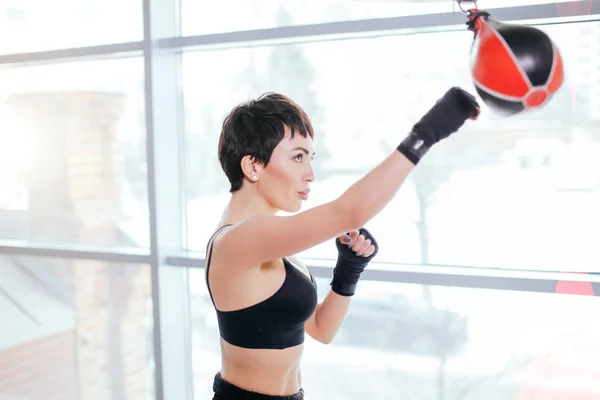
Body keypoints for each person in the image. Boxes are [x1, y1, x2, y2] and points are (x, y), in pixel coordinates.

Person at [205, 88, 480, 399]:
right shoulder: (238, 240)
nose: (310, 174)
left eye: (310, 158)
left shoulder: (271, 244)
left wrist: (348, 270)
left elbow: (322, 329)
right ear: (253, 166)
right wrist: (426, 133)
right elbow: (350, 211)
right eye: (297, 157)